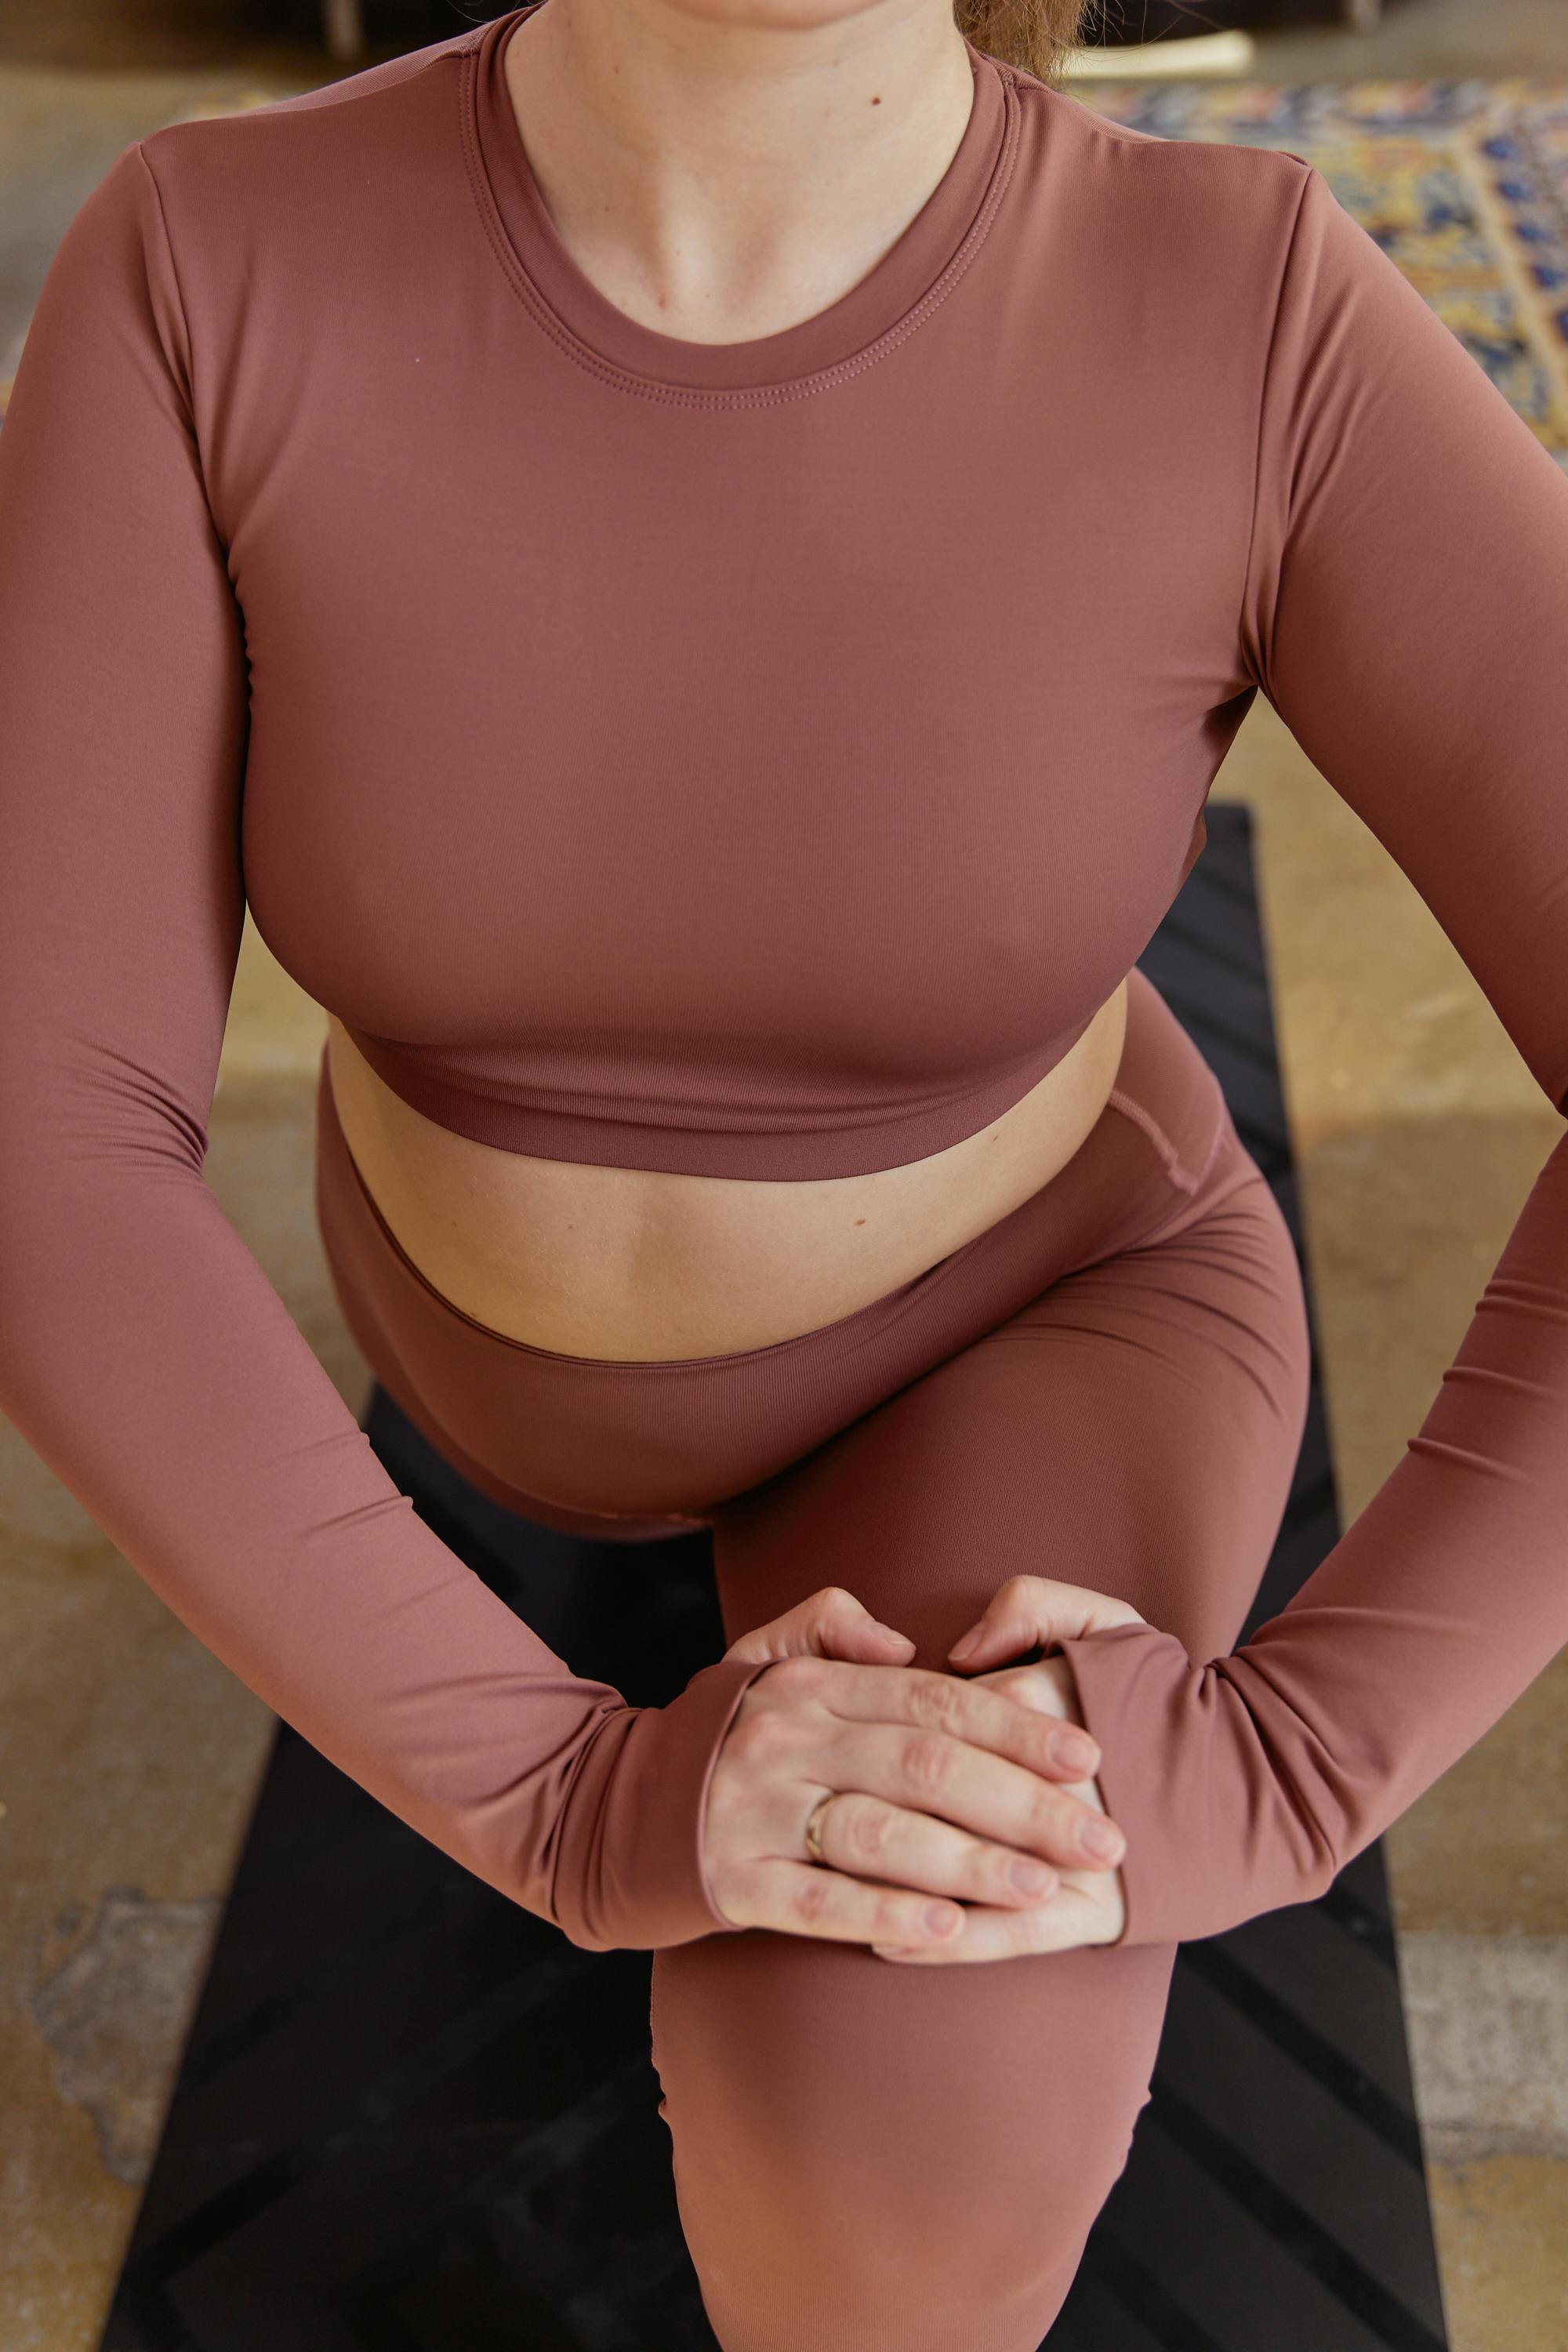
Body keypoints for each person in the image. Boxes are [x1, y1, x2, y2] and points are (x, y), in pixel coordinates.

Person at [1, 0, 1565, 2339]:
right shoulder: (206, 256)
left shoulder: (1243, 301)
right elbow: (41, 1137)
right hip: (455, 1324)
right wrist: (558, 1798)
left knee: (898, 2149)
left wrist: (1300, 1763)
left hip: (1030, 1312)